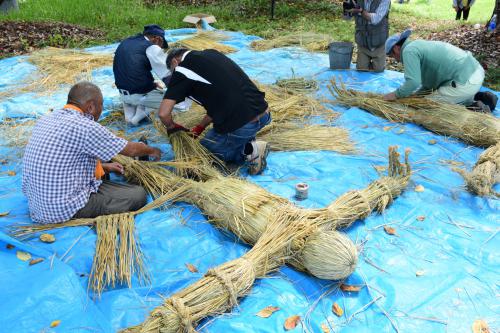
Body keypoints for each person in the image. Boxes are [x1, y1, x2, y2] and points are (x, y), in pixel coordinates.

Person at [22, 82, 162, 224]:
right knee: (137, 195)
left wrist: (105, 167)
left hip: (37, 205)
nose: (101, 110)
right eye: (101, 105)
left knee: (104, 161)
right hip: (60, 210)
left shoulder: (46, 118)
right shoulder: (85, 126)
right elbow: (131, 150)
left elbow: (63, 160)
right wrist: (152, 150)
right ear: (90, 107)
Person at [158, 48, 271, 175]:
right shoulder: (212, 54)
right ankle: (246, 146)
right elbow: (222, 99)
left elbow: (163, 113)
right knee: (225, 148)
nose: (173, 74)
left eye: (172, 70)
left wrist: (171, 126)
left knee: (201, 157)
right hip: (263, 112)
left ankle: (250, 150)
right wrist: (201, 126)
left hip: (243, 123)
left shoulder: (182, 69)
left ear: (175, 61)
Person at [383, 29, 497, 112]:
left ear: (396, 48)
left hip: (465, 81)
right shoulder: (417, 45)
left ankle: (478, 109)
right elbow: (429, 86)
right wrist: (415, 96)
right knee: (431, 97)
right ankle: (478, 97)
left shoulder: (408, 51)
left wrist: (396, 95)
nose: (397, 60)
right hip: (475, 71)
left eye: (393, 56)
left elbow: (413, 82)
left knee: (426, 107)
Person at [113, 24, 170, 126]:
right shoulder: (152, 47)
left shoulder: (126, 42)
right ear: (157, 39)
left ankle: (131, 117)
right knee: (174, 102)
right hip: (138, 93)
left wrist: (152, 84)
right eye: (161, 44)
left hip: (123, 93)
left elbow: (132, 70)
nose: (160, 48)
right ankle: (139, 116)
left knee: (138, 93)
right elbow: (166, 73)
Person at [350, 0, 391, 72]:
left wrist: (361, 11)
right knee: (361, 69)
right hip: (363, 42)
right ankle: (365, 63)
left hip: (378, 42)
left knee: (378, 70)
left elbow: (375, 19)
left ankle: (375, 65)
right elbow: (346, 17)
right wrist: (347, 10)